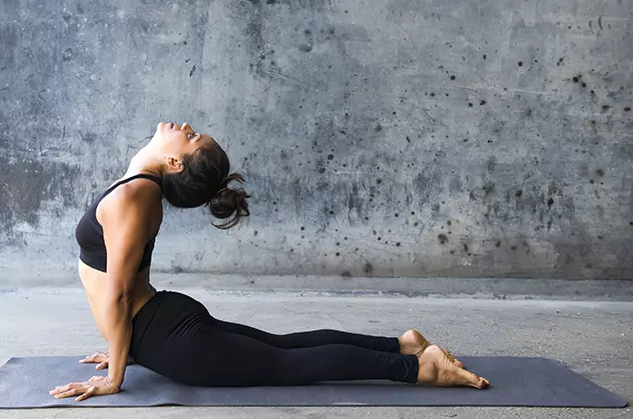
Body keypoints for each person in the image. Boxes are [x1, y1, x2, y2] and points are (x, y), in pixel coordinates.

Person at [50, 122, 489, 402]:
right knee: (285, 346)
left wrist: (115, 373)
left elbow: (121, 290)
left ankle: (419, 367)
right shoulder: (140, 183)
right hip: (161, 325)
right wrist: (118, 345)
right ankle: (402, 343)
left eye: (190, 136)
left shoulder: (135, 195)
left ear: (172, 162)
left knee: (289, 364)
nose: (184, 126)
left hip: (165, 336)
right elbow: (121, 286)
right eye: (192, 132)